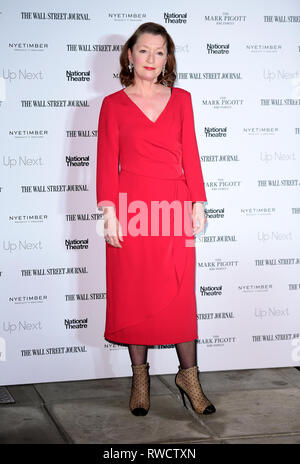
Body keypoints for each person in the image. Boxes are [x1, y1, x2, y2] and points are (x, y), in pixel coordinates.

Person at [96, 22, 216, 417]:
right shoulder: (112, 105)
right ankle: (140, 379)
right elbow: (106, 163)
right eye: (144, 51)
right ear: (130, 55)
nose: (151, 59)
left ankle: (189, 377)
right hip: (131, 211)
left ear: (168, 58)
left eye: (159, 52)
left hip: (173, 208)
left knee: (179, 294)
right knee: (134, 293)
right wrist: (109, 211)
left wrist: (198, 202)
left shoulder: (181, 99)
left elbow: (191, 154)